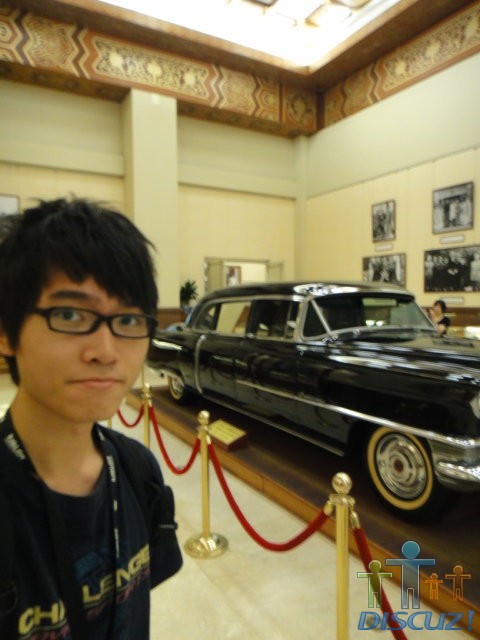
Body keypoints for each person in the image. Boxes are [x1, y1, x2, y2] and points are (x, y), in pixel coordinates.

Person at [0, 198, 182, 639]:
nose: (106, 351)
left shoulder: (139, 471)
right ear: (6, 333)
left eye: (129, 319)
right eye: (70, 314)